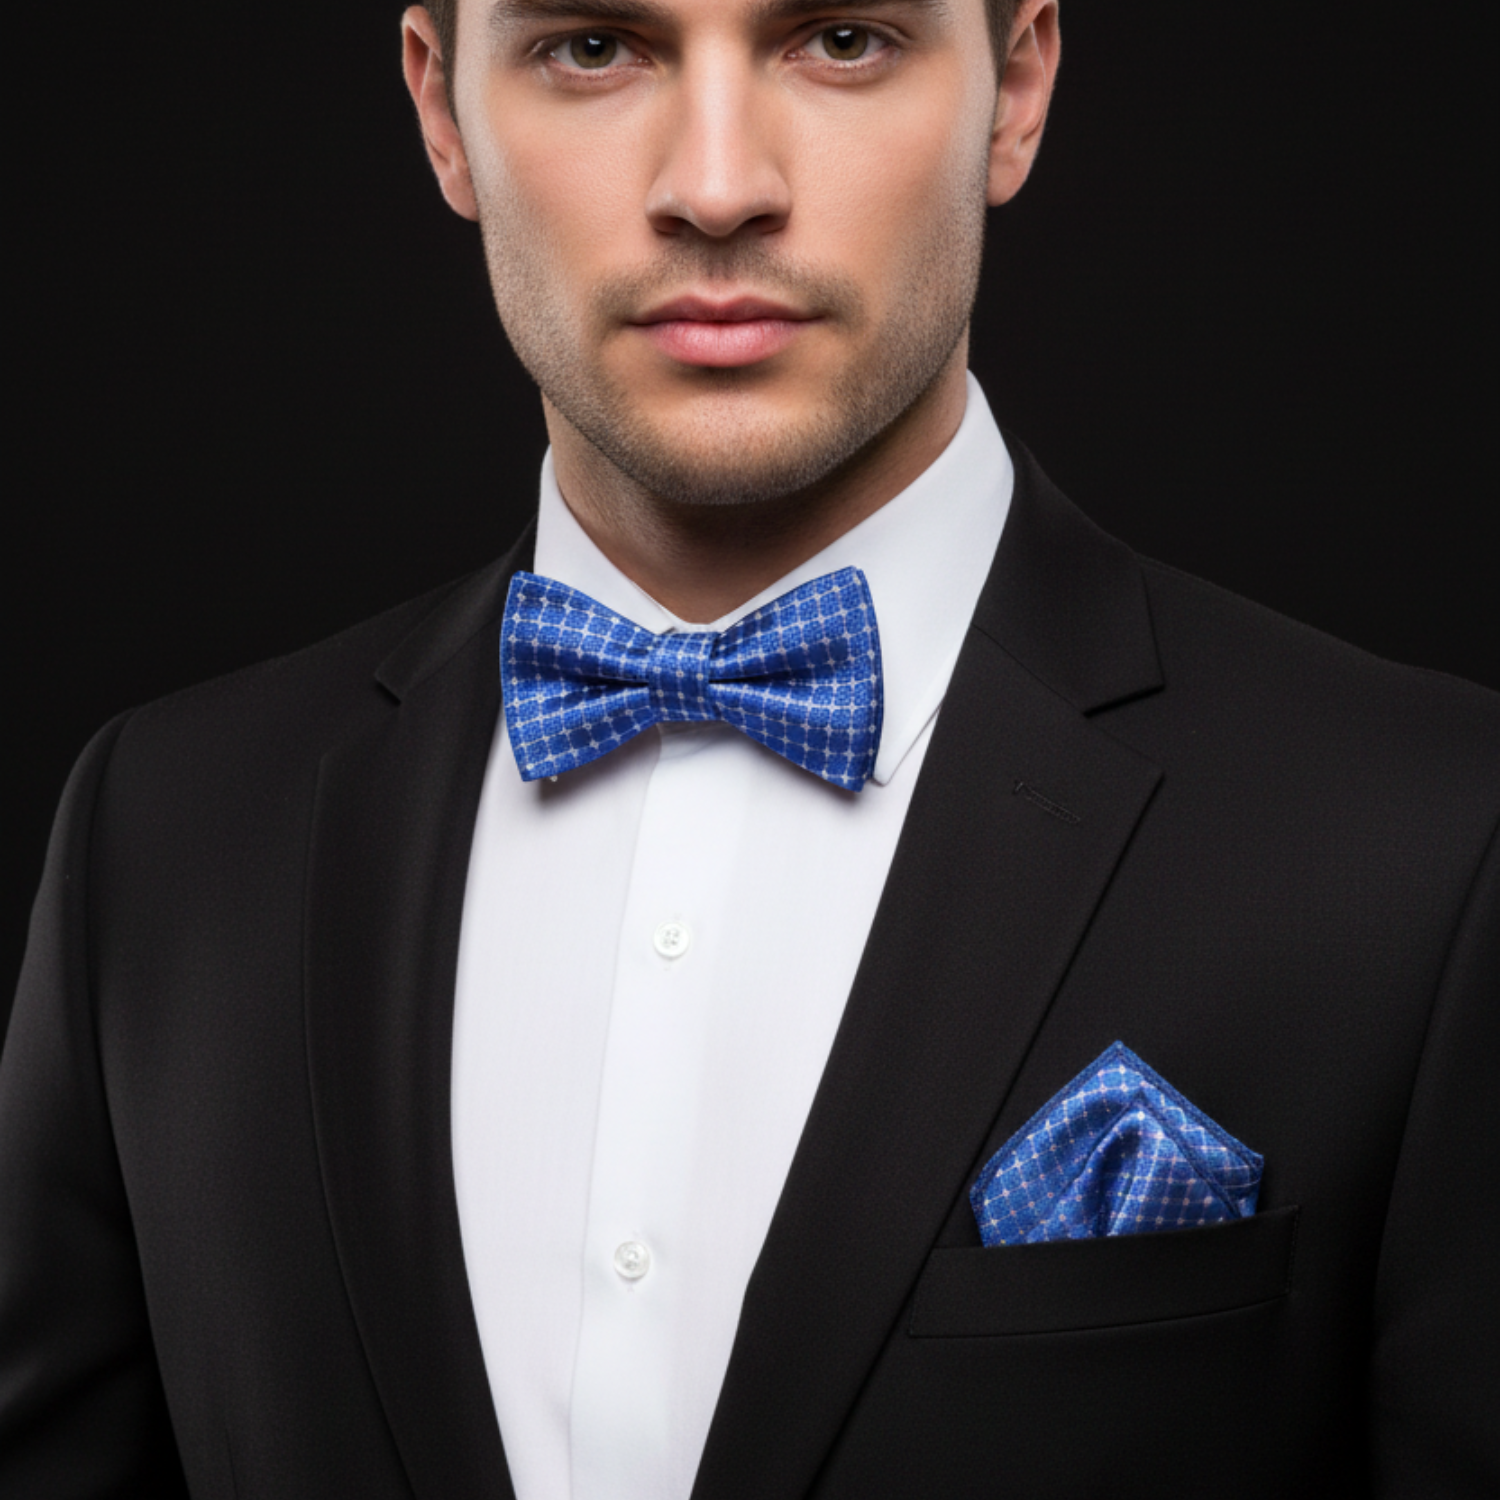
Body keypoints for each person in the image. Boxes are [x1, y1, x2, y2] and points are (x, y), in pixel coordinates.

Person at [1, 0, 1495, 1494]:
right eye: (592, 47)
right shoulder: (161, 836)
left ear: (1018, 86)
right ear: (441, 109)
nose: (717, 187)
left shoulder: (1429, 850)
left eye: (841, 40)